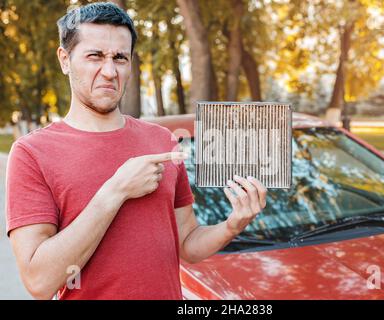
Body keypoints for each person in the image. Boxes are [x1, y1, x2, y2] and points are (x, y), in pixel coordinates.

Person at [5, 2, 267, 300]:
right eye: (95, 56)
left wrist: (232, 225)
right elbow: (39, 282)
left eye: (120, 58)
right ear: (65, 60)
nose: (109, 71)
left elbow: (187, 244)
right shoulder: (31, 153)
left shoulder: (162, 140)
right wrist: (115, 191)